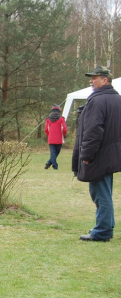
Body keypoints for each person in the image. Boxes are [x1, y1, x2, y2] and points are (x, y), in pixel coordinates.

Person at [72, 66, 121, 242]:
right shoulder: (116, 98)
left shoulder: (98, 101)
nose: (91, 81)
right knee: (105, 191)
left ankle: (102, 231)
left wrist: (86, 155)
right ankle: (107, 225)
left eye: (95, 78)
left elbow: (93, 131)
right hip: (111, 154)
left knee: (100, 193)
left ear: (105, 80)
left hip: (99, 155)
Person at [44, 105, 67, 170]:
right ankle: (55, 166)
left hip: (51, 139)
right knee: (56, 152)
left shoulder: (48, 119)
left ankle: (49, 163)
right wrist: (64, 135)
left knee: (53, 153)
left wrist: (49, 135)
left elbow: (46, 129)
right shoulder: (61, 119)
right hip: (59, 139)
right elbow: (64, 129)